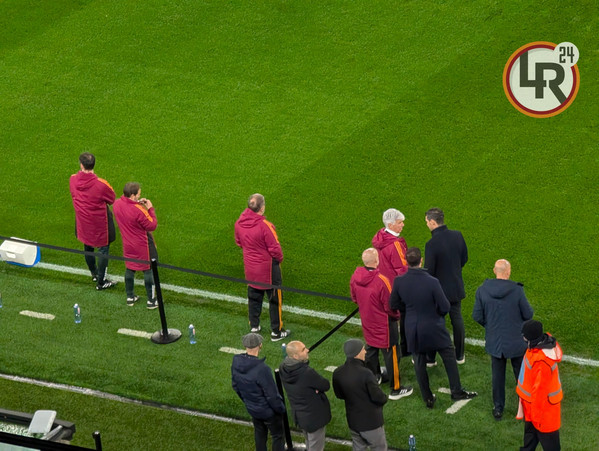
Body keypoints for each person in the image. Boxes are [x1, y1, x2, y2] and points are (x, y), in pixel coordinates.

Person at [389, 247, 477, 408]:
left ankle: (428, 397)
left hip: (413, 328)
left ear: (407, 262)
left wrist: (409, 310)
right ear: (421, 260)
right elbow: (445, 306)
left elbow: (394, 304)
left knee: (419, 362)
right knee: (449, 355)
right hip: (434, 326)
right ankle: (456, 391)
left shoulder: (399, 281)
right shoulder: (432, 281)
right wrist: (436, 314)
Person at [472, 259, 534, 420]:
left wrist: (490, 326)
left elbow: (477, 316)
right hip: (516, 341)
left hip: (495, 341)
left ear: (495, 271)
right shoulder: (517, 290)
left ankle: (498, 408)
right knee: (521, 375)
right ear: (508, 272)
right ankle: (525, 407)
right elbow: (528, 314)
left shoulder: (482, 290)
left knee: (497, 376)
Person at [350, 248, 412, 400]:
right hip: (384, 325)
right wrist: (396, 316)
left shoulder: (355, 277)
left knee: (371, 349)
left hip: (367, 321)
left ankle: (375, 377)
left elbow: (354, 298)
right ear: (377, 261)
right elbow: (390, 306)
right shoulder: (381, 280)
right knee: (392, 354)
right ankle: (396, 388)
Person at [235, 193, 290, 341]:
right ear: (262, 208)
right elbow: (275, 249)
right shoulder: (265, 226)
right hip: (267, 269)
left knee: (253, 296)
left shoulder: (239, 223)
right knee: (274, 299)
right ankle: (276, 332)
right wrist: (278, 260)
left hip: (250, 268)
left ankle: (254, 325)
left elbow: (239, 242)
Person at [424, 207, 468, 364]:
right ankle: (459, 355)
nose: (427, 224)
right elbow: (464, 258)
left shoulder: (431, 244)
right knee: (457, 320)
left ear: (433, 222)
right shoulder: (457, 235)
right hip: (455, 286)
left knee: (435, 323)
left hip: (439, 291)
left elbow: (429, 271)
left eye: (427, 222)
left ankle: (430, 358)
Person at [69, 152, 117, 290]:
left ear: (81, 165)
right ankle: (101, 282)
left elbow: (74, 193)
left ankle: (94, 274)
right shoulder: (101, 184)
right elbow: (112, 199)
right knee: (103, 250)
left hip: (83, 220)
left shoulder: (73, 179)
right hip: (99, 223)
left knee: (88, 245)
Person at [232, 333, 286, 451]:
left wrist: (248, 402)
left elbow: (235, 386)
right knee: (278, 436)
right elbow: (272, 396)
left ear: (245, 346)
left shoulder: (236, 362)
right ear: (260, 345)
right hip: (268, 412)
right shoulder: (262, 369)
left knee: (260, 433)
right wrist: (281, 409)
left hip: (253, 409)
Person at [333, 339, 389, 451]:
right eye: (363, 349)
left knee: (358, 447)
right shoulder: (366, 373)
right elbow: (379, 397)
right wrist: (384, 397)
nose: (365, 351)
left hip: (353, 421)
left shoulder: (338, 372)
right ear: (357, 353)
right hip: (371, 423)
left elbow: (339, 395)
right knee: (379, 448)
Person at [517, 320, 563, 451]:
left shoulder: (541, 362)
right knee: (530, 442)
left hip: (543, 413)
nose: (523, 338)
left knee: (551, 446)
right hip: (533, 408)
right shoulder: (539, 349)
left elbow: (539, 393)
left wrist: (535, 418)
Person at [112, 182, 158, 309]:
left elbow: (127, 209)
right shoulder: (138, 210)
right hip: (142, 245)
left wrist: (136, 203)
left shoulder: (116, 204)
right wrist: (150, 208)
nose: (139, 195)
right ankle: (151, 301)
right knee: (148, 269)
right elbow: (152, 225)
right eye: (138, 194)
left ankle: (130, 297)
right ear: (132, 195)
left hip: (128, 244)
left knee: (130, 267)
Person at [279, 341, 331, 451]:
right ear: (295, 356)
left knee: (309, 441)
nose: (307, 350)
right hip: (314, 417)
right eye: (303, 350)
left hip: (300, 415)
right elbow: (325, 385)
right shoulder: (306, 373)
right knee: (316, 447)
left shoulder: (283, 367)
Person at [371, 208, 408, 281]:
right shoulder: (395, 244)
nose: (403, 224)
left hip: (382, 283)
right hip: (394, 284)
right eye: (399, 222)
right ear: (390, 225)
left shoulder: (379, 239)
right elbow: (402, 269)